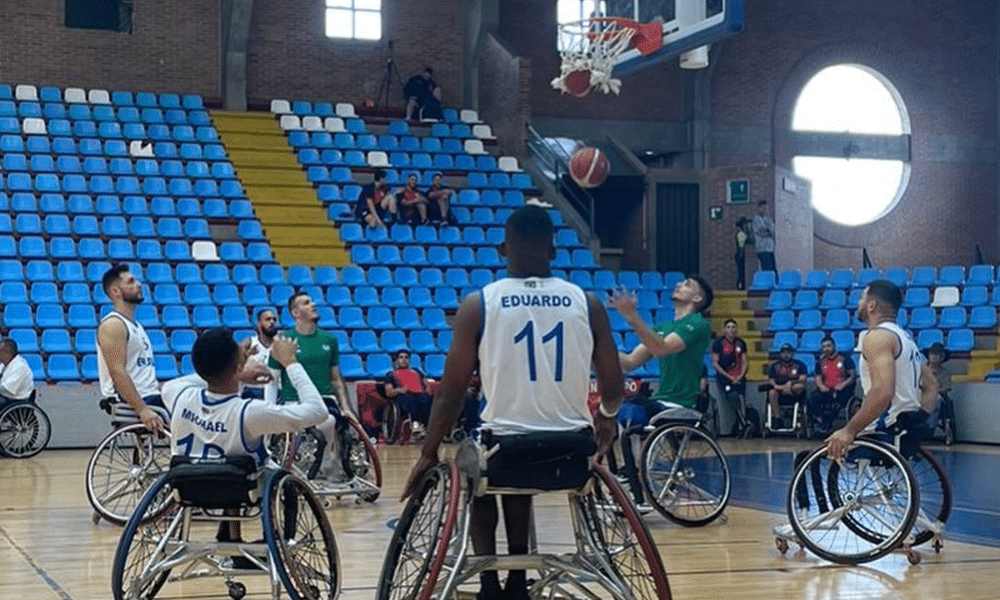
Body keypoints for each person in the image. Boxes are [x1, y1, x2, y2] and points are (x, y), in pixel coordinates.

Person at [400, 205, 624, 600]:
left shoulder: (479, 305)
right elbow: (613, 384)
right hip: (572, 452)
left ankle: (489, 582)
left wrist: (428, 453)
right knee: (518, 466)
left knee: (477, 471)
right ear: (553, 251)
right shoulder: (586, 302)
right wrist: (607, 418)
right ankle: (518, 580)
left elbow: (451, 392)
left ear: (503, 248)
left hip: (505, 451)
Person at [609, 275, 713, 507]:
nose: (679, 284)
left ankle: (637, 481)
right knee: (619, 411)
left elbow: (662, 349)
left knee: (633, 410)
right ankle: (632, 474)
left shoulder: (698, 324)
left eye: (687, 284)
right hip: (661, 401)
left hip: (681, 404)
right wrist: (596, 349)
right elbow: (629, 362)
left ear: (697, 298)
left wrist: (632, 317)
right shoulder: (663, 328)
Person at [826, 280, 938, 460]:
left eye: (861, 299)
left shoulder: (877, 337)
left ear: (871, 306)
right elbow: (931, 384)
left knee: (812, 456)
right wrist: (918, 419)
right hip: (903, 427)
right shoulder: (906, 339)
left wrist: (849, 431)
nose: (858, 304)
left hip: (883, 430)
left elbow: (882, 392)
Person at [267, 291, 358, 481]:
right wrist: (269, 408)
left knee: (332, 421)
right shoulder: (284, 342)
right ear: (295, 313)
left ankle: (329, 460)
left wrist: (346, 407)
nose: (313, 304)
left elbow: (336, 379)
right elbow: (272, 380)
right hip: (295, 402)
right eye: (307, 303)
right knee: (325, 421)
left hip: (325, 400)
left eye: (312, 301)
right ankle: (323, 460)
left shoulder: (329, 340)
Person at [97, 264, 165, 434]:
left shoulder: (137, 326)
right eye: (131, 282)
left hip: (151, 395)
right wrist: (142, 410)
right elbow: (117, 372)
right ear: (116, 291)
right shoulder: (113, 325)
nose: (139, 284)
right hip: (138, 400)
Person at [808, 336, 856, 438]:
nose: (826, 349)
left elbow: (852, 377)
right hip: (827, 389)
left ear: (834, 346)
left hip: (842, 389)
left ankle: (826, 423)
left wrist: (843, 384)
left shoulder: (845, 359)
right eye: (824, 347)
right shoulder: (821, 362)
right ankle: (821, 420)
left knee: (840, 400)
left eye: (828, 346)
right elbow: (818, 378)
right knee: (813, 397)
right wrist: (821, 386)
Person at [379, 348, 434, 437]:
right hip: (403, 396)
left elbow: (427, 385)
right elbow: (389, 393)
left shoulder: (416, 372)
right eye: (401, 357)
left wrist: (427, 391)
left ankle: (427, 426)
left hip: (419, 394)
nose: (404, 360)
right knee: (410, 400)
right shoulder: (391, 375)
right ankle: (415, 424)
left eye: (406, 357)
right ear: (396, 361)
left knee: (427, 399)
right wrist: (398, 390)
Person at [710, 319, 749, 435]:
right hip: (725, 377)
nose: (731, 330)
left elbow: (745, 361)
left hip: (739, 377)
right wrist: (729, 377)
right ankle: (744, 424)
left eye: (733, 327)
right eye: (728, 327)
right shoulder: (718, 343)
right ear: (724, 330)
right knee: (733, 396)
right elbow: (715, 363)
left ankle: (742, 426)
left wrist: (740, 376)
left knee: (741, 398)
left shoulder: (741, 343)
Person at [241, 308, 279, 402]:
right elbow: (234, 367)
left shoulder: (281, 344)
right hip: (254, 390)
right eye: (268, 319)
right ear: (259, 324)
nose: (272, 322)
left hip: (276, 390)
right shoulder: (249, 343)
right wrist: (245, 356)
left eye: (274, 319)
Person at [766, 343, 808, 429]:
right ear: (780, 354)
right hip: (779, 391)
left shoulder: (800, 365)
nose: (786, 355)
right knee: (771, 392)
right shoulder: (774, 366)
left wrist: (791, 383)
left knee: (799, 386)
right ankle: (777, 418)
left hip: (794, 391)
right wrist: (782, 387)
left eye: (788, 352)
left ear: (792, 354)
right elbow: (772, 382)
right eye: (784, 352)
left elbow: (803, 379)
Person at [922, 342, 954, 441]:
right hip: (921, 394)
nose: (934, 357)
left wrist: (933, 390)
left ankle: (928, 427)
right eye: (932, 354)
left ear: (941, 357)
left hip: (937, 396)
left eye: (937, 354)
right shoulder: (922, 369)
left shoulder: (944, 372)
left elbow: (946, 388)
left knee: (937, 399)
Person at [752, 200, 776, 273]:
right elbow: (762, 231)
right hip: (762, 248)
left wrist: (769, 230)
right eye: (762, 208)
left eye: (766, 208)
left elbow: (773, 232)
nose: (764, 210)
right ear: (759, 209)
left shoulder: (768, 220)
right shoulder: (756, 219)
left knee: (773, 271)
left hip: (770, 249)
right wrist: (769, 230)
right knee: (766, 270)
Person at [734, 216, 751, 289]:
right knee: (741, 272)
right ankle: (740, 286)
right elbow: (742, 244)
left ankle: (742, 285)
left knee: (742, 272)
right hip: (740, 254)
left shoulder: (744, 233)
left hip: (741, 254)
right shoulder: (740, 233)